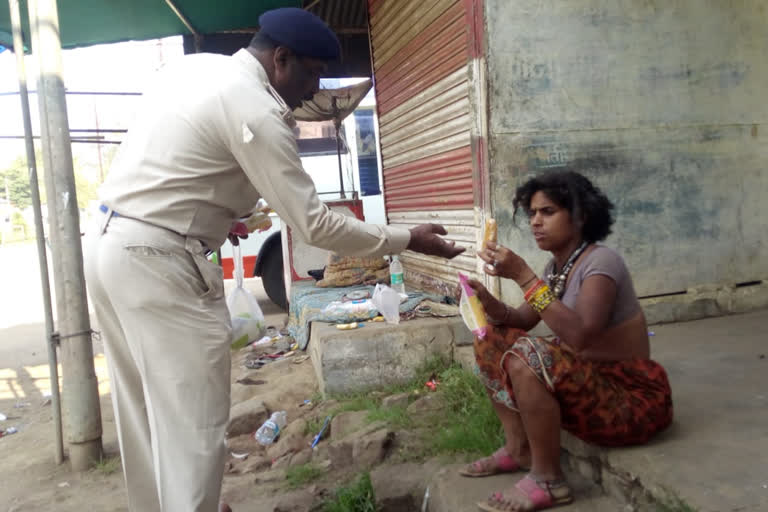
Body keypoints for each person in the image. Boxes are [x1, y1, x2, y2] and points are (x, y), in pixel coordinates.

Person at [82, 8, 463, 512]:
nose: (311, 92)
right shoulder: (257, 110)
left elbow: (180, 164)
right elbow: (317, 225)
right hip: (160, 260)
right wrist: (406, 238)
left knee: (146, 416)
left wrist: (218, 213)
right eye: (310, 75)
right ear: (280, 58)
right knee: (195, 423)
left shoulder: (198, 69)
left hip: (112, 242)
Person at [460, 171, 673, 511]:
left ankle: (549, 479)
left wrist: (523, 275)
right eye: (532, 213)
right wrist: (486, 301)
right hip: (590, 386)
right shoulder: (556, 269)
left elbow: (579, 336)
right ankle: (519, 448)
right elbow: (520, 320)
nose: (535, 222)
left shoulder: (601, 262)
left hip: (629, 400)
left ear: (580, 216)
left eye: (548, 212)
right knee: (490, 338)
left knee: (531, 355)